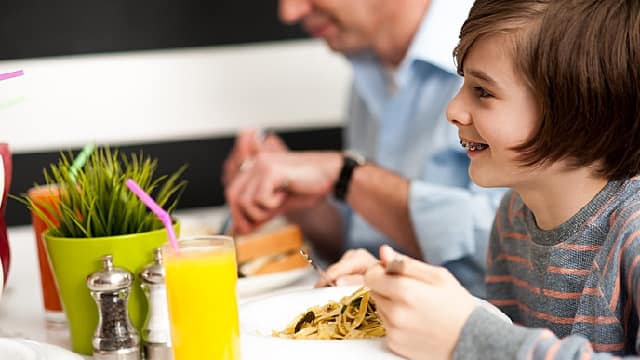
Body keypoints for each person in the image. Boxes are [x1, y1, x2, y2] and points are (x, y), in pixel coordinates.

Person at [320, 0, 640, 358]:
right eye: (464, 83)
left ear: (581, 112)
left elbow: (488, 344)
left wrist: (465, 337)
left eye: (483, 91)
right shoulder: (514, 215)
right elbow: (504, 333)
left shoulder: (633, 233)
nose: (453, 110)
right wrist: (401, 292)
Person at [223, 0, 504, 297]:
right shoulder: (368, 67)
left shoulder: (512, 41)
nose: (290, 12)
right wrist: (305, 203)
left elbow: (516, 247)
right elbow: (372, 242)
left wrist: (346, 175)